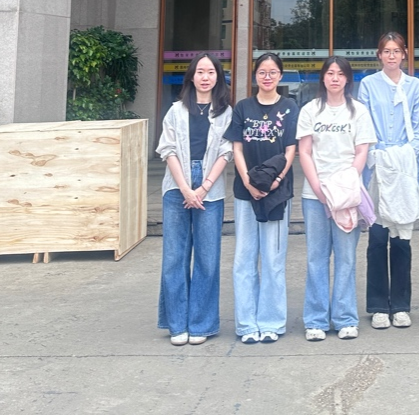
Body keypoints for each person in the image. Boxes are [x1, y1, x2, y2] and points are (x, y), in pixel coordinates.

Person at [296, 56, 377, 342]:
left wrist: (344, 187)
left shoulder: (359, 111)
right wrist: (319, 189)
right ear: (323, 77)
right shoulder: (310, 110)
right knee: (316, 258)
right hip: (314, 196)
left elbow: (361, 152)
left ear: (347, 79)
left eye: (340, 74)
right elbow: (304, 151)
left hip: (347, 196)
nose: (334, 78)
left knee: (346, 258)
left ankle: (345, 318)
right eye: (330, 73)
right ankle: (316, 320)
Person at [156, 52, 233, 346]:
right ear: (191, 76)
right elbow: (168, 150)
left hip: (210, 188)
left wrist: (204, 188)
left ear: (218, 77)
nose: (205, 77)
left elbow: (226, 151)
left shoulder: (225, 112)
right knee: (174, 257)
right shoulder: (176, 111)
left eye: (211, 72)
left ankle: (201, 324)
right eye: (200, 71)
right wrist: (186, 188)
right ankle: (177, 324)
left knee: (207, 259)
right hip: (177, 185)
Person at [225, 52, 299, 344]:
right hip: (245, 193)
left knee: (273, 259)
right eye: (262, 72)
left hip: (277, 193)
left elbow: (291, 149)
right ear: (255, 76)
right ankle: (246, 324)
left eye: (272, 72)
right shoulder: (243, 107)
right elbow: (237, 148)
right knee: (244, 259)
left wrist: (276, 180)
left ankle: (271, 322)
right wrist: (247, 181)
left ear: (280, 76)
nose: (267, 77)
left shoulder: (289, 107)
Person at [357, 32, 419, 330]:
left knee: (401, 239)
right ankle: (377, 306)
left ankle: (400, 306)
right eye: (386, 51)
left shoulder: (415, 86)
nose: (392, 56)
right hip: (375, 166)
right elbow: (362, 123)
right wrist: (375, 156)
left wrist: (407, 154)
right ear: (379, 55)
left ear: (404, 54)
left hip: (405, 166)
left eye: (396, 51)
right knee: (377, 238)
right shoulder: (368, 85)